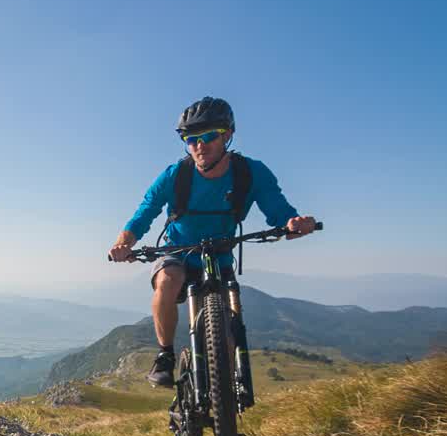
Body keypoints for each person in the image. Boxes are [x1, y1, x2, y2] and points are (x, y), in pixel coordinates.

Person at [108, 97, 316, 388]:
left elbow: (278, 209)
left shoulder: (250, 172)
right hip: (177, 251)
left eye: (208, 137)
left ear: (227, 136)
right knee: (169, 279)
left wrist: (293, 223)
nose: (199, 146)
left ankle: (226, 402)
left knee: (228, 330)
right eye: (191, 139)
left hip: (219, 256)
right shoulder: (175, 175)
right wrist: (123, 244)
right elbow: (144, 213)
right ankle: (165, 355)